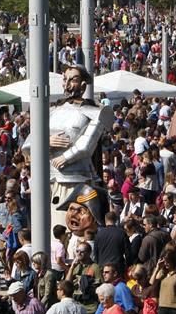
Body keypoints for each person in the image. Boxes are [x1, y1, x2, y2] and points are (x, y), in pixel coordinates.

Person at [23, 64, 113, 228]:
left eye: (74, 79)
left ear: (83, 85)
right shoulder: (52, 110)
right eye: (66, 79)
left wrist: (66, 157)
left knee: (73, 225)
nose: (68, 83)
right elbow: (28, 143)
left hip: (76, 177)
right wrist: (45, 141)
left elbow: (87, 145)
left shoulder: (96, 111)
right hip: (48, 177)